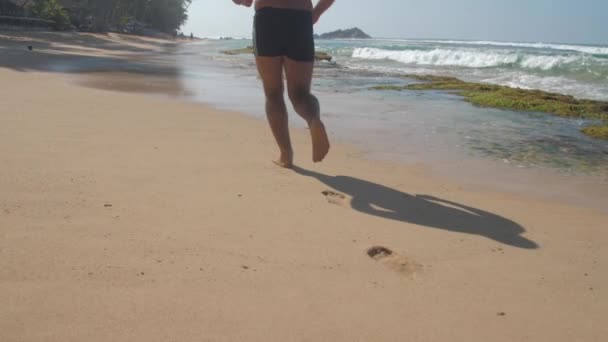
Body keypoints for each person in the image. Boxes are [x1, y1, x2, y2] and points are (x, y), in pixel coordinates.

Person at [232, 0, 335, 168]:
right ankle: (313, 119)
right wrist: (315, 13)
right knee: (301, 94)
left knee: (273, 93)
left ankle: (286, 155)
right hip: (300, 18)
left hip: (268, 18)